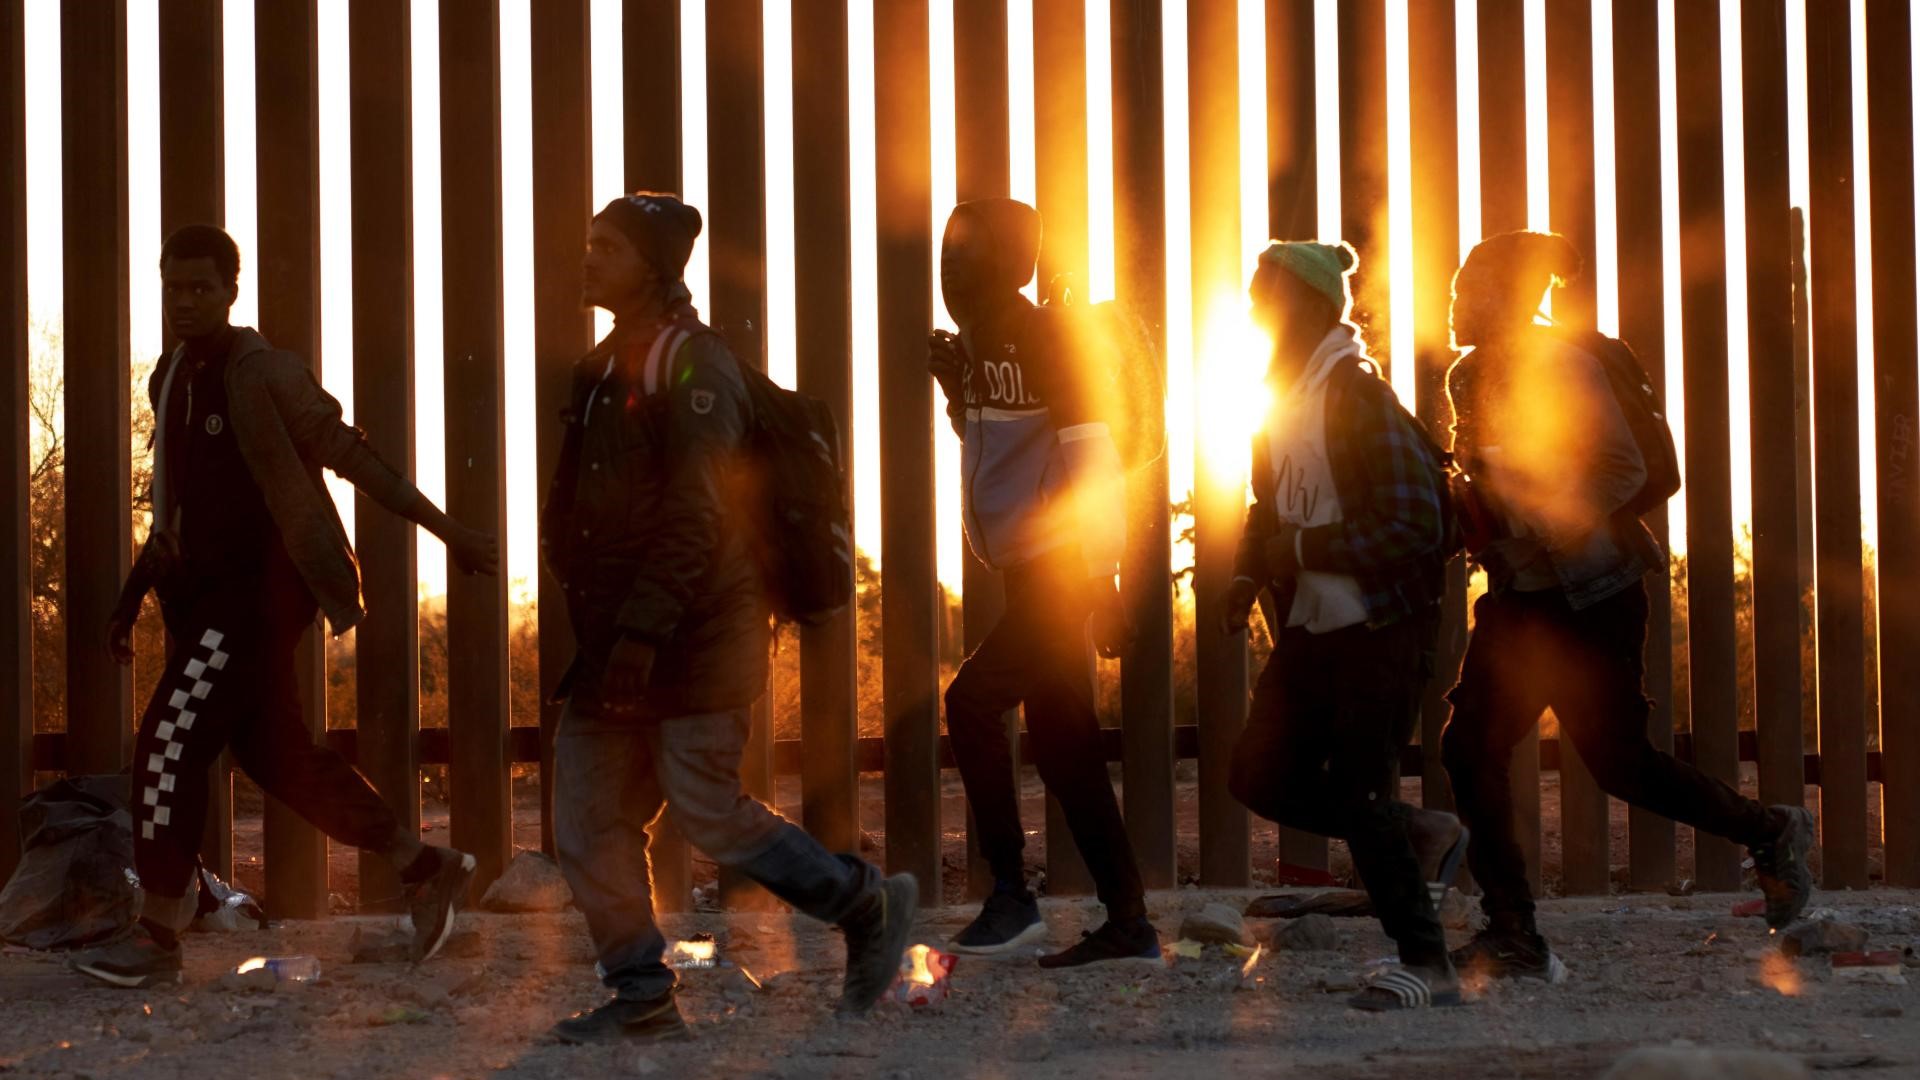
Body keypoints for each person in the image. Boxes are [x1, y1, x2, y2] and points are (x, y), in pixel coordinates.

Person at [72, 225, 497, 989]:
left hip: (261, 597)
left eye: (203, 287)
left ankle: (157, 938)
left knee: (169, 742)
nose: (186, 300)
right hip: (205, 602)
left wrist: (448, 530)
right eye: (174, 286)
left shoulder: (263, 372)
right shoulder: (168, 378)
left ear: (232, 292)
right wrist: (130, 598)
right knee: (280, 757)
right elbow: (171, 511)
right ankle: (425, 867)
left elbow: (351, 453)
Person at [543, 192, 916, 1043]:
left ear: (655, 267)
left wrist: (642, 627)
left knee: (708, 808)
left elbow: (701, 511)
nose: (589, 256)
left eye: (608, 246)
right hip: (619, 641)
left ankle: (865, 906)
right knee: (586, 821)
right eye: (589, 240)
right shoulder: (603, 367)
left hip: (696, 636)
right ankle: (640, 991)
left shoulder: (692, 365)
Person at [1439, 230, 1815, 979]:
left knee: (1619, 765)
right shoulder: (1470, 375)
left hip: (1594, 593)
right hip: (1523, 594)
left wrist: (1537, 522)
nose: (1453, 304)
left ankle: (1770, 829)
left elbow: (1624, 467)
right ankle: (1513, 930)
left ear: (1503, 296)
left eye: (1467, 290)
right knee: (1470, 745)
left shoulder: (1562, 363)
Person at [1220, 241, 1467, 1011]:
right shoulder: (1282, 397)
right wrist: (1247, 572)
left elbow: (1413, 522)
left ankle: (1427, 964)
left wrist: (1299, 550)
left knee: (1359, 795)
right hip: (1313, 627)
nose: (1256, 308)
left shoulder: (1356, 397)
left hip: (1379, 629)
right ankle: (1417, 831)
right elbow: (1274, 504)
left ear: (1312, 304)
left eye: (1270, 294)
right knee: (1257, 775)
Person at [929, 198, 1159, 967]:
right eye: (945, 249)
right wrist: (956, 398)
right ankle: (1129, 923)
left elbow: (1092, 463)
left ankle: (1012, 899)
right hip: (1033, 571)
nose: (949, 263)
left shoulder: (1047, 338)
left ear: (1012, 262)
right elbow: (1003, 450)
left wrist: (1107, 579)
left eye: (967, 249)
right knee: (1067, 751)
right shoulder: (983, 345)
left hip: (1065, 572)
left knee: (970, 702)